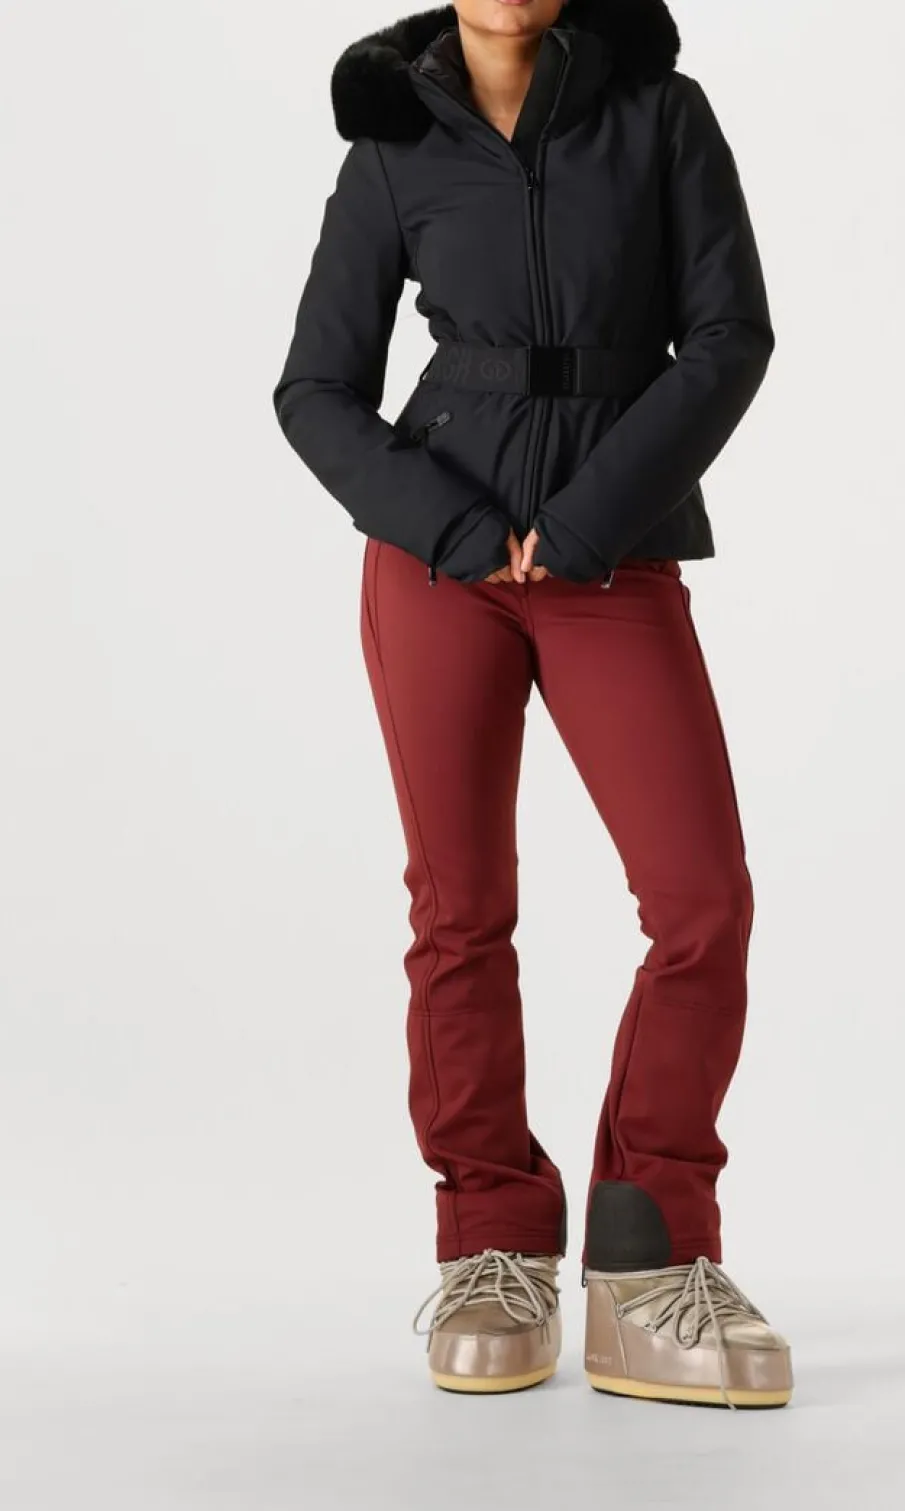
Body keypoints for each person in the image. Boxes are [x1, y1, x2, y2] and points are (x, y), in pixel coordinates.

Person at [273, 0, 791, 1409]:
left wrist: (584, 521)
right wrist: (452, 529)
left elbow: (729, 336)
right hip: (437, 563)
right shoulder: (391, 144)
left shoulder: (661, 115)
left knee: (701, 901)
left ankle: (649, 1250)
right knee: (460, 909)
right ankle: (491, 1238)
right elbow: (314, 388)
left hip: (607, 551)